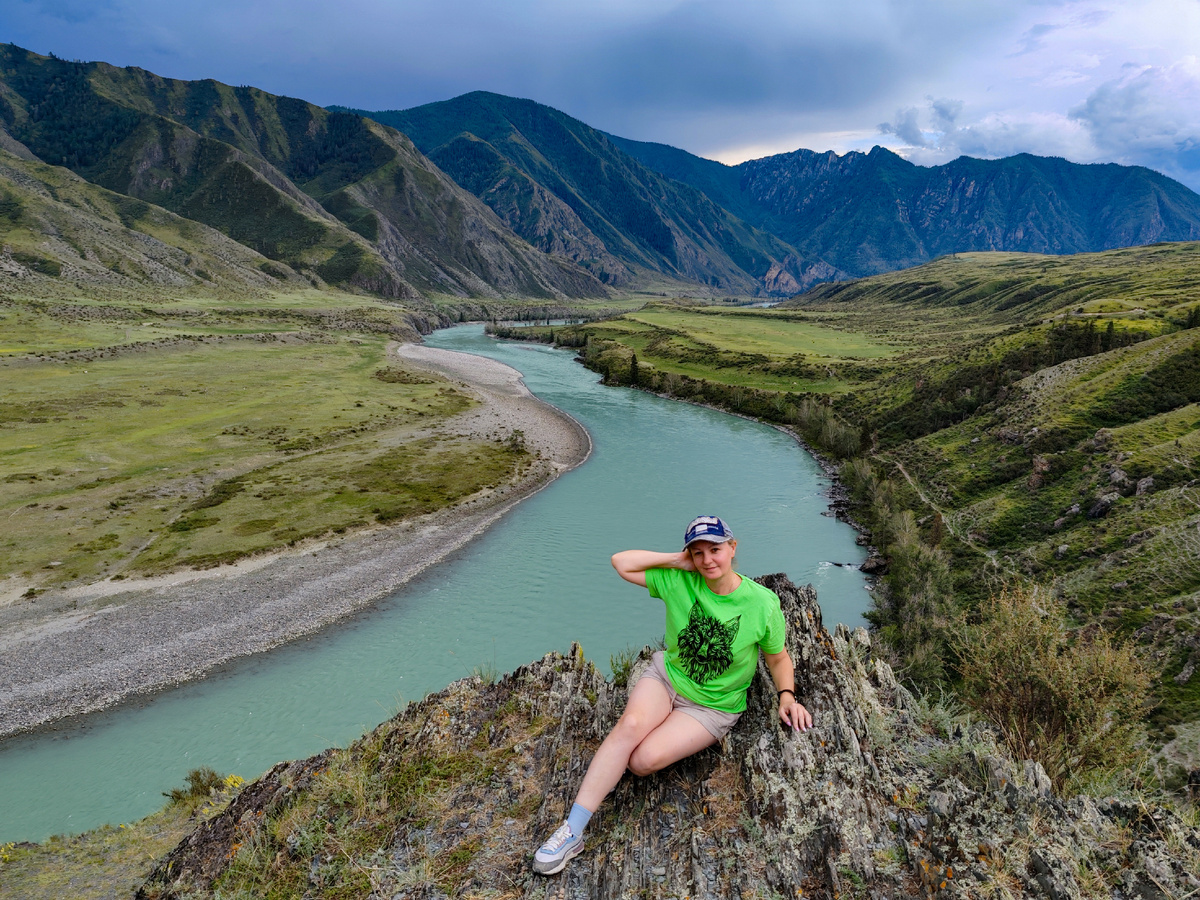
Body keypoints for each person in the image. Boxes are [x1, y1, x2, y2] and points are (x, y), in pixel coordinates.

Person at [532, 515, 814, 875]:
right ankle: (572, 831)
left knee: (640, 761)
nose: (708, 560)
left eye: (715, 549)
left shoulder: (762, 603)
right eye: (698, 553)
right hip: (667, 678)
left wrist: (786, 696)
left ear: (733, 547)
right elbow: (621, 562)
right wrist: (676, 560)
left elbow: (777, 658)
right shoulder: (679, 579)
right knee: (630, 726)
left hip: (713, 707)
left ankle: (634, 750)